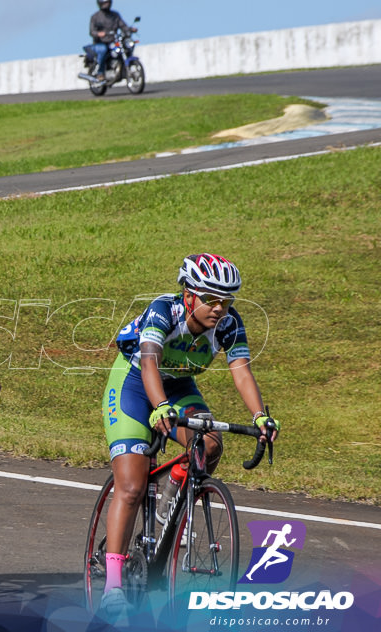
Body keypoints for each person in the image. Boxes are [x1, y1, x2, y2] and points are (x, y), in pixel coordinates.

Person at [98, 254, 279, 616]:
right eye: (211, 299)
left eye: (226, 301)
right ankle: (112, 587)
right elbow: (149, 360)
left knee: (209, 444)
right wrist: (160, 406)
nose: (219, 308)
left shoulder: (229, 323)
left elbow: (240, 370)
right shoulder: (164, 310)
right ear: (189, 295)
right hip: (134, 384)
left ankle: (172, 495)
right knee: (131, 486)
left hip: (179, 385)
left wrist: (260, 416)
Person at [88, 0, 136, 81]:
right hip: (100, 42)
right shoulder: (95, 17)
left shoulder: (115, 15)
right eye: (105, 3)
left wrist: (129, 29)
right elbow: (92, 31)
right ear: (100, 4)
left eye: (108, 2)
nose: (107, 4)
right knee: (103, 50)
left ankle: (123, 69)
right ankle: (100, 73)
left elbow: (122, 25)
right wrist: (99, 34)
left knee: (125, 47)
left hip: (113, 41)